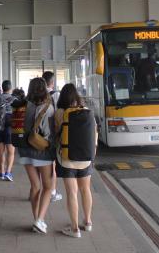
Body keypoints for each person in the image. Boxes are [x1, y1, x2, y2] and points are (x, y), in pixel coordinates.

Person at [54, 83, 97, 238]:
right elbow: (94, 135)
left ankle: (74, 229)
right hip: (85, 158)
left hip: (66, 158)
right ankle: (88, 222)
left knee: (72, 192)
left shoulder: (60, 112)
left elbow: (56, 133)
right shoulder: (87, 111)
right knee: (86, 190)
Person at [18, 77, 55, 234]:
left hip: (25, 150)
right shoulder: (48, 108)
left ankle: (37, 219)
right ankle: (39, 220)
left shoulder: (23, 106)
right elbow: (48, 134)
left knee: (35, 186)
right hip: (42, 151)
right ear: (45, 88)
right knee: (48, 187)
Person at [42, 71, 62, 203]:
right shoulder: (56, 95)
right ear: (52, 82)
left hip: (38, 135)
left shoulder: (36, 95)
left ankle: (41, 190)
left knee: (40, 163)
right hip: (53, 134)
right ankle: (52, 192)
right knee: (52, 164)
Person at [0, 80, 16, 182]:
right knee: (11, 152)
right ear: (10, 88)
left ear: (2, 88)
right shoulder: (14, 99)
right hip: (10, 127)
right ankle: (8, 172)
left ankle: (1, 172)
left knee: (1, 151)